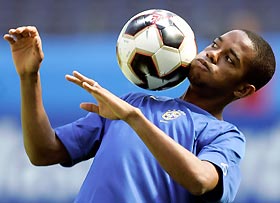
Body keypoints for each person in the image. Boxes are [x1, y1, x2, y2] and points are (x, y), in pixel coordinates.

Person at [4, 26, 275, 203]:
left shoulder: (224, 136)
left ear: (242, 89)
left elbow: (202, 181)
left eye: (230, 59)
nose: (213, 54)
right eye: (215, 44)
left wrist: (134, 119)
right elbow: (43, 152)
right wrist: (29, 77)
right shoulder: (133, 103)